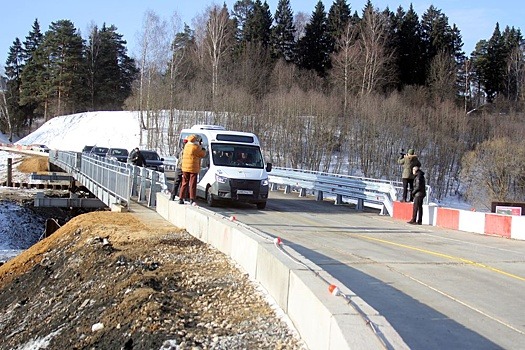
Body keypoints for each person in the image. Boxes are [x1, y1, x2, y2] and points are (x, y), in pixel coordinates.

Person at [178, 134, 206, 204]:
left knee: (184, 183)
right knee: (192, 184)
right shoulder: (196, 147)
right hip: (193, 168)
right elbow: (203, 154)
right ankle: (192, 198)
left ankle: (181, 198)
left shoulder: (186, 146)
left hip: (185, 168)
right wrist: (203, 148)